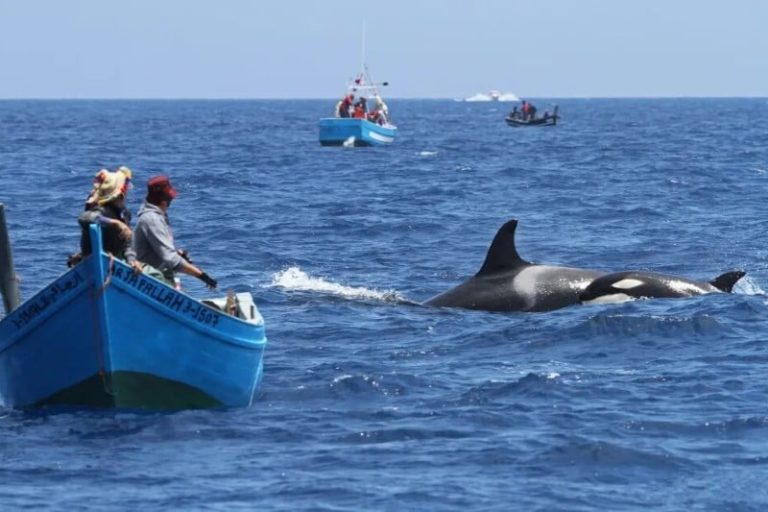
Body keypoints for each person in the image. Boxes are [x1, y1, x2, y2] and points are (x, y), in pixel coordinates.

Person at [132, 175, 217, 289]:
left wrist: (179, 255)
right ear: (163, 200)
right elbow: (170, 259)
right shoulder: (152, 219)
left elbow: (164, 253)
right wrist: (202, 276)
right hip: (147, 282)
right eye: (170, 198)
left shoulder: (158, 216)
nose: (171, 200)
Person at [76, 166, 139, 269]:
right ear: (119, 194)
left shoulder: (124, 214)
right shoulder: (101, 211)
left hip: (116, 262)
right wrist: (114, 223)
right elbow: (85, 218)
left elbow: (128, 241)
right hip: (94, 262)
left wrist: (131, 260)